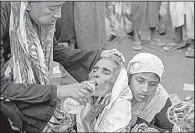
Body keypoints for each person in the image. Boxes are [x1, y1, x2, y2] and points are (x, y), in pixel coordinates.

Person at [0, 1, 124, 132]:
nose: (58, 15)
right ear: (29, 4)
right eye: (52, 8)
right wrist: (61, 91)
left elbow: (54, 49)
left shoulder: (40, 19)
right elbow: (2, 86)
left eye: (60, 7)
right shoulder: (5, 13)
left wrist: (98, 55)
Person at [76, 52, 132, 132]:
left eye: (106, 73)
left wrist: (87, 122)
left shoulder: (120, 109)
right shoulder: (86, 100)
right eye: (94, 71)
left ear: (117, 83)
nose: (96, 75)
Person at [126, 53, 174, 132]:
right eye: (140, 81)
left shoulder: (159, 98)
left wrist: (138, 122)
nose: (145, 89)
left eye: (152, 84)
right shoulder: (116, 93)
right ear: (129, 77)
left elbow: (171, 130)